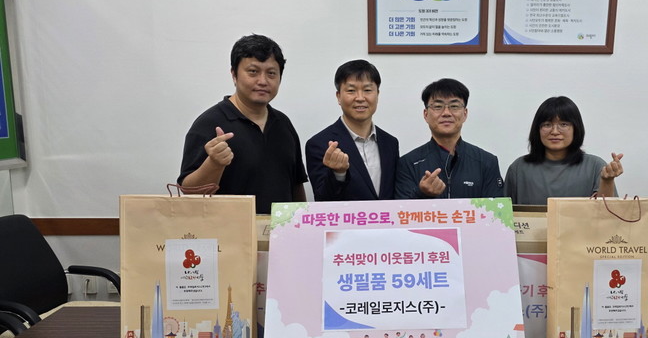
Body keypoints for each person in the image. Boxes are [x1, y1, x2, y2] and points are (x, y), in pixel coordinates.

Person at [178, 34, 307, 214]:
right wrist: (214, 163)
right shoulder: (209, 123)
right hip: (230, 229)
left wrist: (300, 223)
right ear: (234, 74)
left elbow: (296, 184)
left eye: (271, 73)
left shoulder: (283, 124)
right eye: (253, 71)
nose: (263, 81)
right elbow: (188, 192)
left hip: (280, 229)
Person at [394, 78, 504, 199]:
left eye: (454, 106)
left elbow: (495, 209)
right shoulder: (408, 163)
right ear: (426, 114)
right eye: (438, 106)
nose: (446, 113)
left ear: (465, 114)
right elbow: (400, 209)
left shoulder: (487, 162)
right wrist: (422, 193)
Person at [305, 60, 399, 201]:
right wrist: (338, 174)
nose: (360, 98)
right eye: (351, 90)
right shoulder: (319, 144)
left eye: (367, 90)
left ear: (377, 94)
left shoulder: (390, 143)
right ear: (338, 96)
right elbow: (322, 200)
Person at [505, 95, 624, 205]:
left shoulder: (595, 166)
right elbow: (504, 214)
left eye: (563, 124)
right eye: (547, 124)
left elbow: (608, 213)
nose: (555, 131)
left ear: (576, 128)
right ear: (537, 129)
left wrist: (607, 181)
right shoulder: (519, 168)